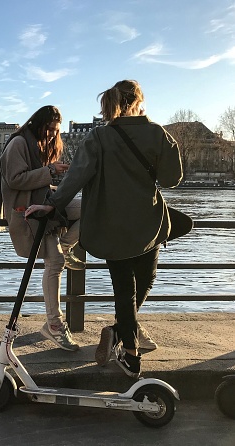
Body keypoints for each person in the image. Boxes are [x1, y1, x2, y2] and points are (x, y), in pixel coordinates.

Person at [25, 80, 182, 377]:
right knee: (146, 281)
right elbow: (172, 178)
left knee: (124, 290)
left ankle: (130, 353)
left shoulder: (98, 137)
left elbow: (77, 178)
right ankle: (120, 332)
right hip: (148, 222)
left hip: (111, 225)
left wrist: (53, 204)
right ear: (139, 101)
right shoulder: (156, 133)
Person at [0, 105, 82, 352]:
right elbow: (14, 179)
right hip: (27, 213)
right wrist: (50, 171)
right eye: (49, 130)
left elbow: (32, 182)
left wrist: (55, 181)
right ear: (38, 124)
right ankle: (54, 325)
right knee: (54, 263)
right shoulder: (18, 144)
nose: (51, 135)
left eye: (56, 132)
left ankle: (65, 247)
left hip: (43, 205)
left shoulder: (34, 144)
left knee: (93, 208)